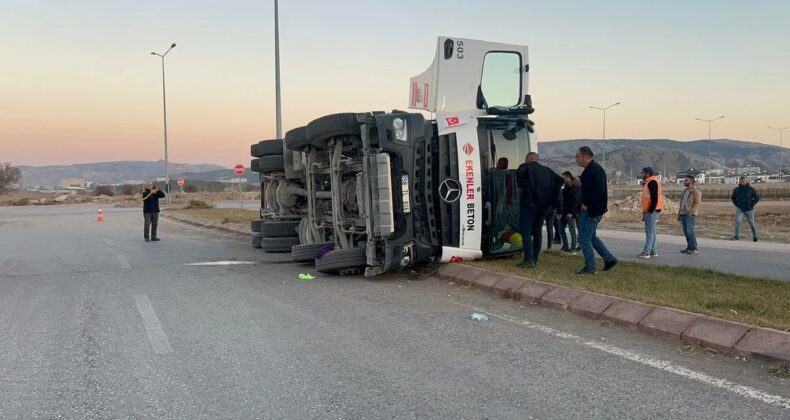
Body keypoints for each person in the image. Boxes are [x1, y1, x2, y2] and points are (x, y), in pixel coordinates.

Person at [515, 152, 563, 268]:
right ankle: (535, 258)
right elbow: (560, 180)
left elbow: (519, 180)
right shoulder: (548, 171)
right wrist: (552, 199)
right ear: (537, 160)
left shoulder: (525, 168)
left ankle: (528, 259)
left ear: (527, 159)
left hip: (529, 205)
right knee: (538, 232)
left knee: (526, 232)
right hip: (543, 207)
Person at [575, 146, 618, 274]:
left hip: (591, 211)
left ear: (584, 157)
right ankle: (609, 259)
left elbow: (599, 191)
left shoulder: (595, 170)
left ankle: (590, 266)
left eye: (577, 157)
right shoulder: (590, 170)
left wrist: (587, 204)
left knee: (583, 239)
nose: (576, 159)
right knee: (591, 237)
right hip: (592, 209)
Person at [638, 167, 662, 259]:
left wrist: (650, 211)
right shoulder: (650, 182)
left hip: (652, 210)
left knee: (649, 232)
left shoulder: (652, 182)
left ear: (647, 173)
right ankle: (653, 251)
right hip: (652, 210)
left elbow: (654, 198)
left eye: (643, 173)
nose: (642, 175)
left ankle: (646, 252)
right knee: (652, 232)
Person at [677, 175, 702, 254]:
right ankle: (689, 247)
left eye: (686, 180)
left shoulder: (696, 192)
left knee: (690, 232)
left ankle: (694, 248)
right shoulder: (684, 191)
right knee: (686, 232)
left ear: (691, 181)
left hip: (690, 215)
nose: (684, 181)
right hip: (683, 214)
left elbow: (697, 203)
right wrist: (679, 214)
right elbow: (682, 203)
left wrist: (691, 212)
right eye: (685, 180)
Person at [731, 176, 760, 241]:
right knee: (738, 221)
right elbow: (733, 198)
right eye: (741, 181)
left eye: (744, 181)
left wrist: (752, 204)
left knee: (752, 223)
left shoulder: (751, 189)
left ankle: (755, 236)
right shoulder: (737, 190)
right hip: (740, 209)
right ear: (739, 182)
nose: (743, 182)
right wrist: (736, 204)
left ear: (747, 181)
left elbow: (757, 197)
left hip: (749, 209)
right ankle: (736, 236)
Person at [559, 171, 581, 254]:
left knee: (572, 231)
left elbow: (574, 201)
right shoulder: (567, 187)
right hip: (564, 212)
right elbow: (564, 200)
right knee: (561, 229)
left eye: (564, 177)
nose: (563, 179)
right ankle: (565, 246)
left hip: (571, 213)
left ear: (568, 177)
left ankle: (573, 248)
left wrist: (571, 212)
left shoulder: (574, 187)